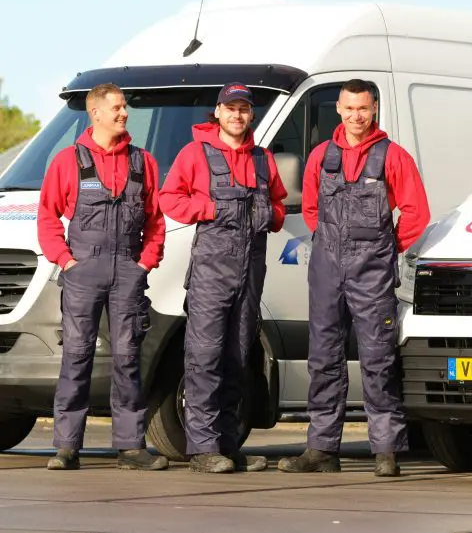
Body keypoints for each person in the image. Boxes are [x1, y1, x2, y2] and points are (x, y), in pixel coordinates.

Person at [278, 79, 430, 477]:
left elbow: (416, 213)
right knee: (323, 359)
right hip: (327, 268)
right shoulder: (319, 157)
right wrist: (329, 243)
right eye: (349, 108)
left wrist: (386, 249)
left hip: (372, 269)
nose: (356, 116)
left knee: (378, 358)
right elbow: (310, 208)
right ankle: (322, 450)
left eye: (363, 108)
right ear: (339, 110)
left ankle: (386, 450)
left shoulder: (393, 157)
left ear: (374, 109)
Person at [159, 83, 288, 473]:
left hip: (251, 274)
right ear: (217, 112)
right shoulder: (195, 154)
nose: (237, 115)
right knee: (204, 357)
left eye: (243, 109)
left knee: (238, 357)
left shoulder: (264, 160)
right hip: (211, 275)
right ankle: (201, 448)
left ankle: (228, 445)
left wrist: (273, 216)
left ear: (251, 115)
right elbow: (170, 198)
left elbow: (280, 203)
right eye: (230, 108)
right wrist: (210, 207)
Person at [37, 83, 167, 470]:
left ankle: (130, 447)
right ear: (95, 112)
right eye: (117, 107)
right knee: (76, 356)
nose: (124, 113)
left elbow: (155, 221)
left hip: (128, 268)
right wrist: (65, 261)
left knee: (128, 357)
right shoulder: (67, 161)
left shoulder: (143, 162)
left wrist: (145, 262)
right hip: (83, 270)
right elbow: (47, 216)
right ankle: (66, 446)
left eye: (124, 106)